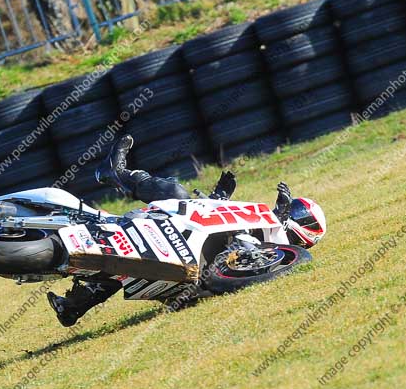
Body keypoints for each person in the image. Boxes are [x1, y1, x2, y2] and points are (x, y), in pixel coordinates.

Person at [47, 134, 326, 327]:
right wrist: (218, 198)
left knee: (174, 194)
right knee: (126, 258)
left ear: (309, 231)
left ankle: (117, 173)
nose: (292, 211)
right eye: (296, 209)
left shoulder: (279, 254)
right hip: (179, 260)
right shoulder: (263, 237)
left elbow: (243, 252)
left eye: (300, 214)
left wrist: (279, 217)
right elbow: (211, 225)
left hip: (193, 284)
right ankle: (74, 305)